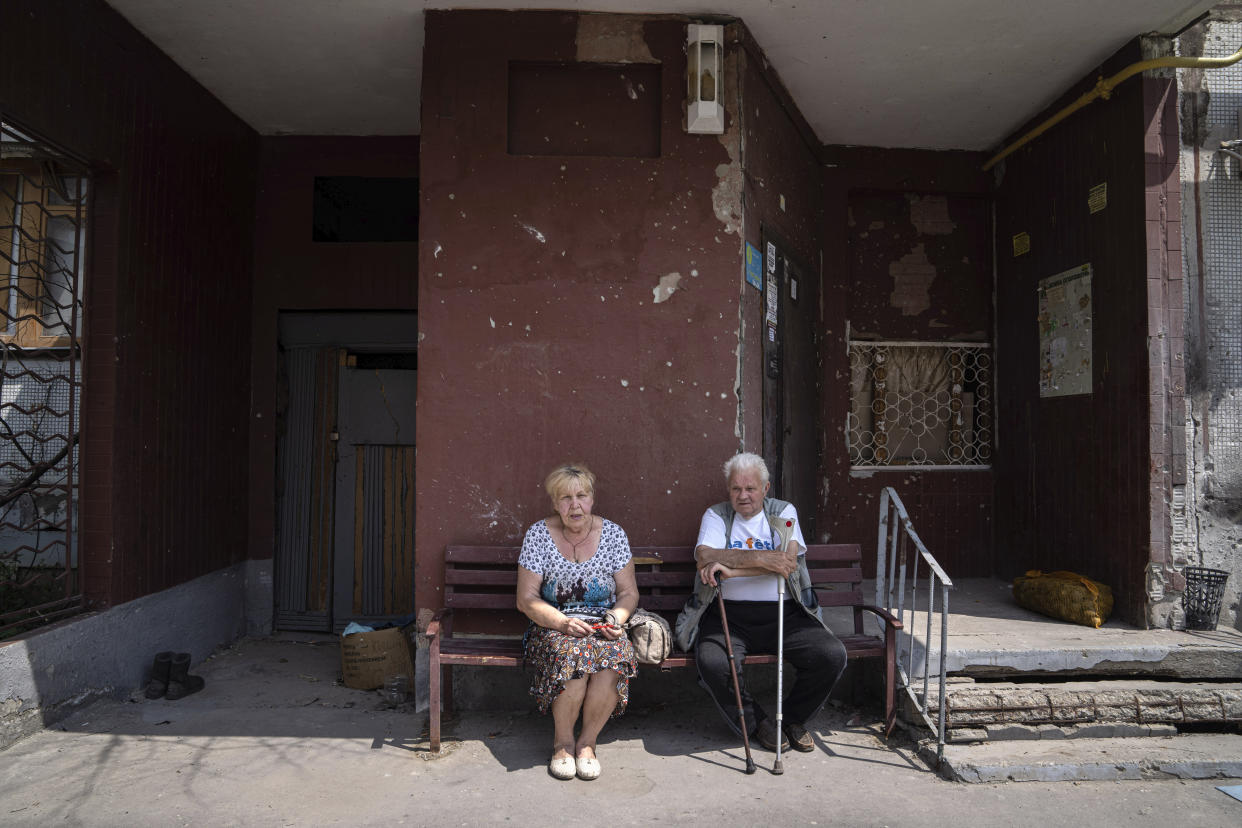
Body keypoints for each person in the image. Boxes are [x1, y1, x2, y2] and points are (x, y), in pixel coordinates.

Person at [675, 452, 848, 753]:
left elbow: (787, 562)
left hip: (785, 612)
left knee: (831, 655)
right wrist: (762, 558)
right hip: (729, 615)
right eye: (736, 489)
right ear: (728, 490)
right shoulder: (715, 516)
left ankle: (792, 720)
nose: (743, 496)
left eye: (750, 489)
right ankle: (758, 723)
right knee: (713, 663)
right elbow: (704, 556)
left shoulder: (784, 512)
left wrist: (731, 567)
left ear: (765, 489)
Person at [516, 463, 639, 781]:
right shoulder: (538, 535)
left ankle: (587, 745)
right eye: (566, 498)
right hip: (553, 625)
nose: (575, 505)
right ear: (555, 504)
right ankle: (563, 743)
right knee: (573, 655)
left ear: (592, 499)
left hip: (602, 623)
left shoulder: (613, 534)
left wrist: (616, 618)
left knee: (615, 657)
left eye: (581, 496)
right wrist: (562, 623)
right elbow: (526, 599)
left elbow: (628, 593)